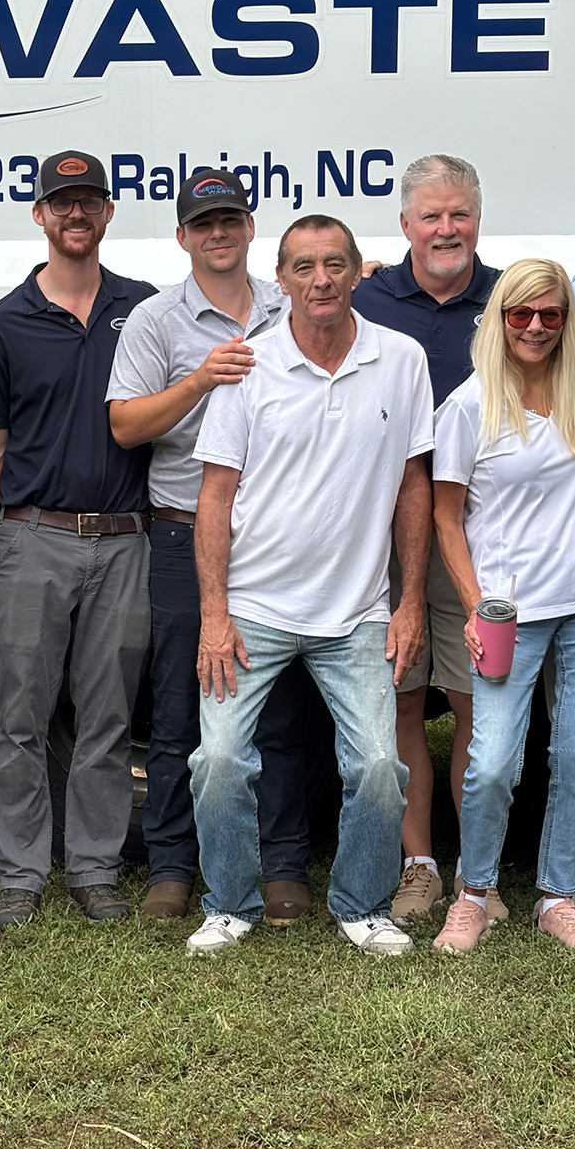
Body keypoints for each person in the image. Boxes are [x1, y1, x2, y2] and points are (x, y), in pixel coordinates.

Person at [185, 214, 433, 959]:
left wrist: (411, 599)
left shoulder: (402, 359)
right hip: (254, 609)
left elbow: (413, 486)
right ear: (282, 279)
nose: (320, 280)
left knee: (379, 769)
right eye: (303, 267)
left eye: (334, 265)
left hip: (357, 611)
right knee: (220, 762)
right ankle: (229, 904)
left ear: (359, 271)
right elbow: (216, 497)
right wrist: (214, 615)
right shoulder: (248, 366)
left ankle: (362, 905)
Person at [107, 169, 312, 924]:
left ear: (250, 227)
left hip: (274, 536)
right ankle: (171, 865)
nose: (217, 233)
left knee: (280, 705)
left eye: (229, 219)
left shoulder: (290, 305)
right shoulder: (155, 320)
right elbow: (126, 425)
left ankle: (282, 861)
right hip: (182, 530)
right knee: (177, 706)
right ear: (183, 237)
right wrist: (199, 380)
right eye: (203, 223)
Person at [0, 151, 155, 930]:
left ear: (107, 213)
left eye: (89, 202)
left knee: (108, 718)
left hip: (123, 541)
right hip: (31, 538)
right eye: (60, 203)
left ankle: (94, 868)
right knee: (18, 716)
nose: (75, 215)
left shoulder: (145, 309)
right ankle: (20, 873)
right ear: (39, 216)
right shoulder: (4, 322)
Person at [431, 258, 575, 956]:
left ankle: (557, 897)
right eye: (521, 313)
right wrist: (474, 604)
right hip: (508, 611)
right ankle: (473, 895)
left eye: (551, 314)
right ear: (500, 318)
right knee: (493, 761)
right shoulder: (468, 404)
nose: (537, 327)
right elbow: (445, 517)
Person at [354, 154, 501, 923]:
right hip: (389, 530)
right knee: (402, 702)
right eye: (432, 216)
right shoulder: (365, 297)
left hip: (482, 534)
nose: (447, 229)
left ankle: (480, 871)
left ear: (479, 217)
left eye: (461, 214)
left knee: (477, 702)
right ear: (405, 223)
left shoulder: (512, 298)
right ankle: (419, 867)